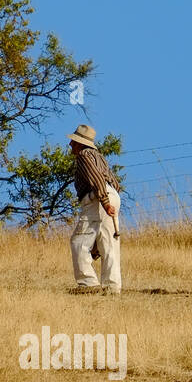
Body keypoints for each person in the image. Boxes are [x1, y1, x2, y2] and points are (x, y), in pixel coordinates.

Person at [67, 124, 122, 294]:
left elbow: (96, 177)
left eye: (73, 142)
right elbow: (114, 182)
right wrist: (109, 199)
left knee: (79, 242)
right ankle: (112, 288)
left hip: (97, 198)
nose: (70, 145)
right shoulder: (99, 156)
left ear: (80, 144)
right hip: (111, 194)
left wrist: (104, 201)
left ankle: (88, 284)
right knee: (109, 244)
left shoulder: (84, 155)